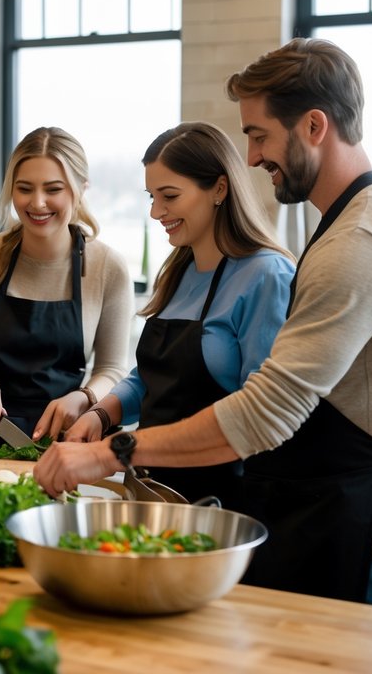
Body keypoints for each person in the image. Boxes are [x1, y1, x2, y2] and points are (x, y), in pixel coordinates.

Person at [36, 38, 372, 613]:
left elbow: (268, 410)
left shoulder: (359, 241)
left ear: (314, 126)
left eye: (260, 135)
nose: (253, 156)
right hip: (342, 517)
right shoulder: (353, 223)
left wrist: (112, 451)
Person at [64, 122, 295, 509]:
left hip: (223, 503)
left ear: (220, 188)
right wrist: (100, 415)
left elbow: (265, 416)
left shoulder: (266, 276)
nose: (156, 212)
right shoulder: (178, 270)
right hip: (153, 490)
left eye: (169, 196)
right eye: (151, 197)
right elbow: (152, 379)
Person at [0, 126, 134, 446]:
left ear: (80, 190)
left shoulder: (107, 267)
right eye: (25, 188)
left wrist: (84, 397)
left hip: (57, 445)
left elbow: (112, 369)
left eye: (53, 189)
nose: (38, 202)